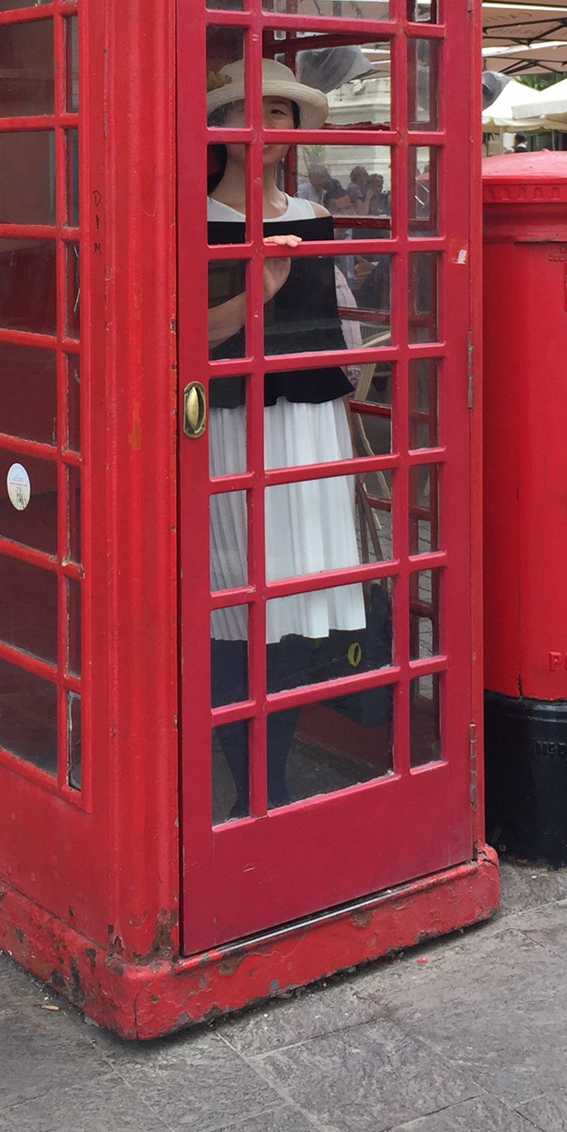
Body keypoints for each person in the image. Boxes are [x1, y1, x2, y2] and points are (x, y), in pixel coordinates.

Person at [204, 60, 365, 813]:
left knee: (305, 604)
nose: (266, 123)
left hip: (311, 425)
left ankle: (278, 764)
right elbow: (190, 341)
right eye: (249, 109)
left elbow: (332, 329)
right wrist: (257, 291)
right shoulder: (196, 217)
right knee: (240, 604)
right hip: (236, 426)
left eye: (281, 110)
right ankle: (253, 784)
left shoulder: (312, 214)